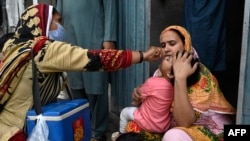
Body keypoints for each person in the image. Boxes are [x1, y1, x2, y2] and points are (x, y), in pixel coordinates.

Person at [0, 4, 165, 141]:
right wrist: (142, 55)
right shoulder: (43, 50)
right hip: (14, 131)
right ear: (44, 23)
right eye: (57, 21)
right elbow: (94, 59)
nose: (61, 27)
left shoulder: (16, 46)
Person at [130, 25, 236, 141]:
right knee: (133, 127)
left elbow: (184, 122)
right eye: (163, 45)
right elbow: (153, 107)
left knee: (173, 136)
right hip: (171, 126)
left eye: (172, 43)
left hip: (209, 129)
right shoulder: (161, 72)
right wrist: (140, 97)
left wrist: (180, 78)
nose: (166, 49)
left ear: (186, 44)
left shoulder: (201, 74)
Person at [56, 1, 117, 140]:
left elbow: (110, 7)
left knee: (96, 82)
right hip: (70, 35)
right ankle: (82, 126)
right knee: (75, 82)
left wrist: (109, 37)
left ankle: (97, 131)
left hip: (94, 32)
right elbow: (58, 11)